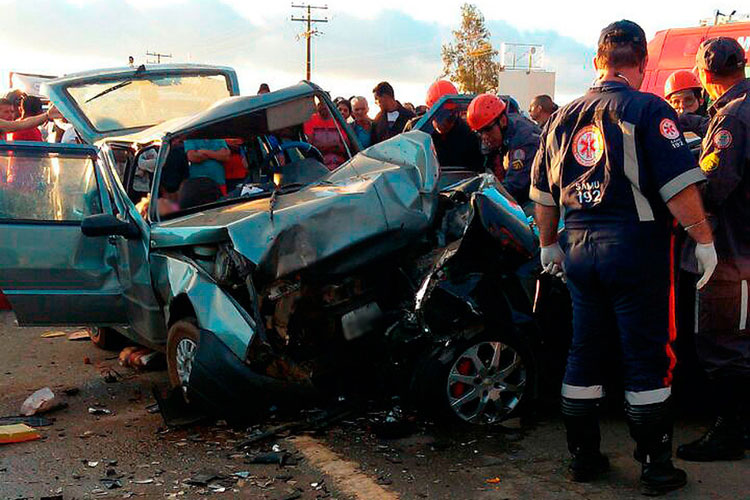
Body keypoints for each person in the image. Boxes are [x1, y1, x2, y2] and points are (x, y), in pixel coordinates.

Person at [530, 20, 717, 495]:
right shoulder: (649, 109)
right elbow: (680, 188)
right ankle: (655, 466)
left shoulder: (561, 117)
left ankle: (583, 457)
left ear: (598, 61)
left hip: (578, 251)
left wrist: (548, 243)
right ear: (643, 62)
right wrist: (704, 239)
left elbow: (543, 196)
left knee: (583, 353)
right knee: (648, 355)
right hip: (636, 251)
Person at [675, 37, 750, 462]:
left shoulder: (732, 119)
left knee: (724, 344)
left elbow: (714, 185)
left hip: (732, 249)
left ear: (705, 77)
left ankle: (728, 432)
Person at [466, 93, 540, 206]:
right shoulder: (503, 136)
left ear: (502, 121)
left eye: (487, 129)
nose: (484, 137)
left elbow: (514, 187)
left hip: (539, 199)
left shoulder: (523, 140)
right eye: (480, 132)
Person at [424, 79, 483, 171]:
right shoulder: (416, 131)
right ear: (429, 112)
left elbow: (476, 171)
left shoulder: (469, 136)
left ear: (457, 112)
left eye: (450, 116)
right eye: (439, 116)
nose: (444, 123)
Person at [303, 98, 348, 170]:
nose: (323, 107)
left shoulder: (339, 121)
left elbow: (345, 146)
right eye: (320, 104)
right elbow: (310, 146)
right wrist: (332, 145)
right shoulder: (310, 121)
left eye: (324, 103)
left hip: (339, 164)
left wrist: (324, 146)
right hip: (318, 164)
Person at [664, 70, 709, 137]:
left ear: (700, 101)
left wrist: (696, 122)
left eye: (688, 100)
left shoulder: (712, 119)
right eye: (676, 102)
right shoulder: (665, 125)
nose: (682, 106)